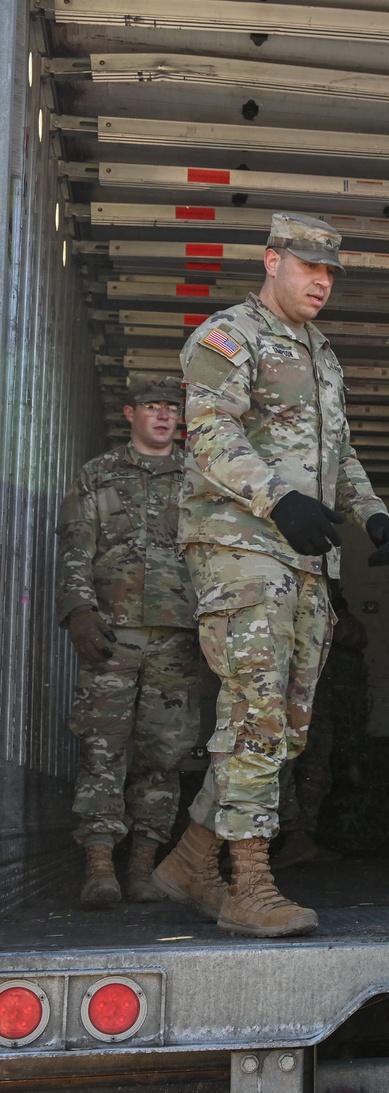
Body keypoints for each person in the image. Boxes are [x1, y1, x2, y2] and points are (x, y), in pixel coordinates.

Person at [152, 212, 389, 939]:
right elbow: (209, 436)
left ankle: (192, 859)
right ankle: (247, 884)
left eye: (330, 272)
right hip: (241, 544)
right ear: (271, 261)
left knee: (286, 724)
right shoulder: (228, 337)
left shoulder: (322, 355)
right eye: (308, 266)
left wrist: (374, 514)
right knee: (258, 712)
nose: (321, 281)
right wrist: (278, 499)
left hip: (308, 558)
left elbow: (340, 453)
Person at [56, 373, 200, 908]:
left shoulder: (198, 478)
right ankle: (99, 865)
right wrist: (78, 611)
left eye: (171, 408)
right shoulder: (98, 475)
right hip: (111, 636)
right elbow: (76, 546)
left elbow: (213, 553)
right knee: (102, 748)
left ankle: (142, 866)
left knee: (164, 755)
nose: (164, 415)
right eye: (152, 406)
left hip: (177, 639)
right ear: (130, 413)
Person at [272, 585, 368, 869]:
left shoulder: (327, 604)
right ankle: (290, 837)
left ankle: (300, 837)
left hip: (316, 706)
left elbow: (358, 636)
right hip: (287, 701)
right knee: (282, 765)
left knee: (315, 769)